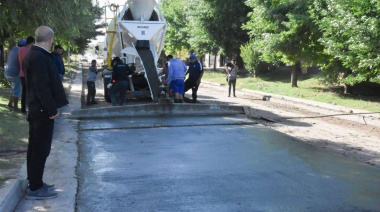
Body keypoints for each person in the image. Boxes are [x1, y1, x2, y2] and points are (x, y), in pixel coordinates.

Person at [22, 26, 69, 200]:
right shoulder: (40, 57)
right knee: (40, 149)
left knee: (35, 149)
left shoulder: (32, 55)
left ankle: (35, 182)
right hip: (42, 111)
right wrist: (52, 109)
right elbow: (42, 87)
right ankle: (35, 187)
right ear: (50, 40)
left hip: (35, 109)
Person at [4, 39, 26, 112]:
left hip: (7, 72)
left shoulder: (13, 50)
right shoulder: (21, 51)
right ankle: (15, 108)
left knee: (13, 89)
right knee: (17, 90)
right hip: (15, 73)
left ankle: (10, 104)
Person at [18, 36, 35, 114]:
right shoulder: (31, 51)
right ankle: (29, 108)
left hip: (21, 73)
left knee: (24, 91)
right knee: (30, 92)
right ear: (32, 43)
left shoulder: (20, 49)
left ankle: (23, 109)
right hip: (29, 74)